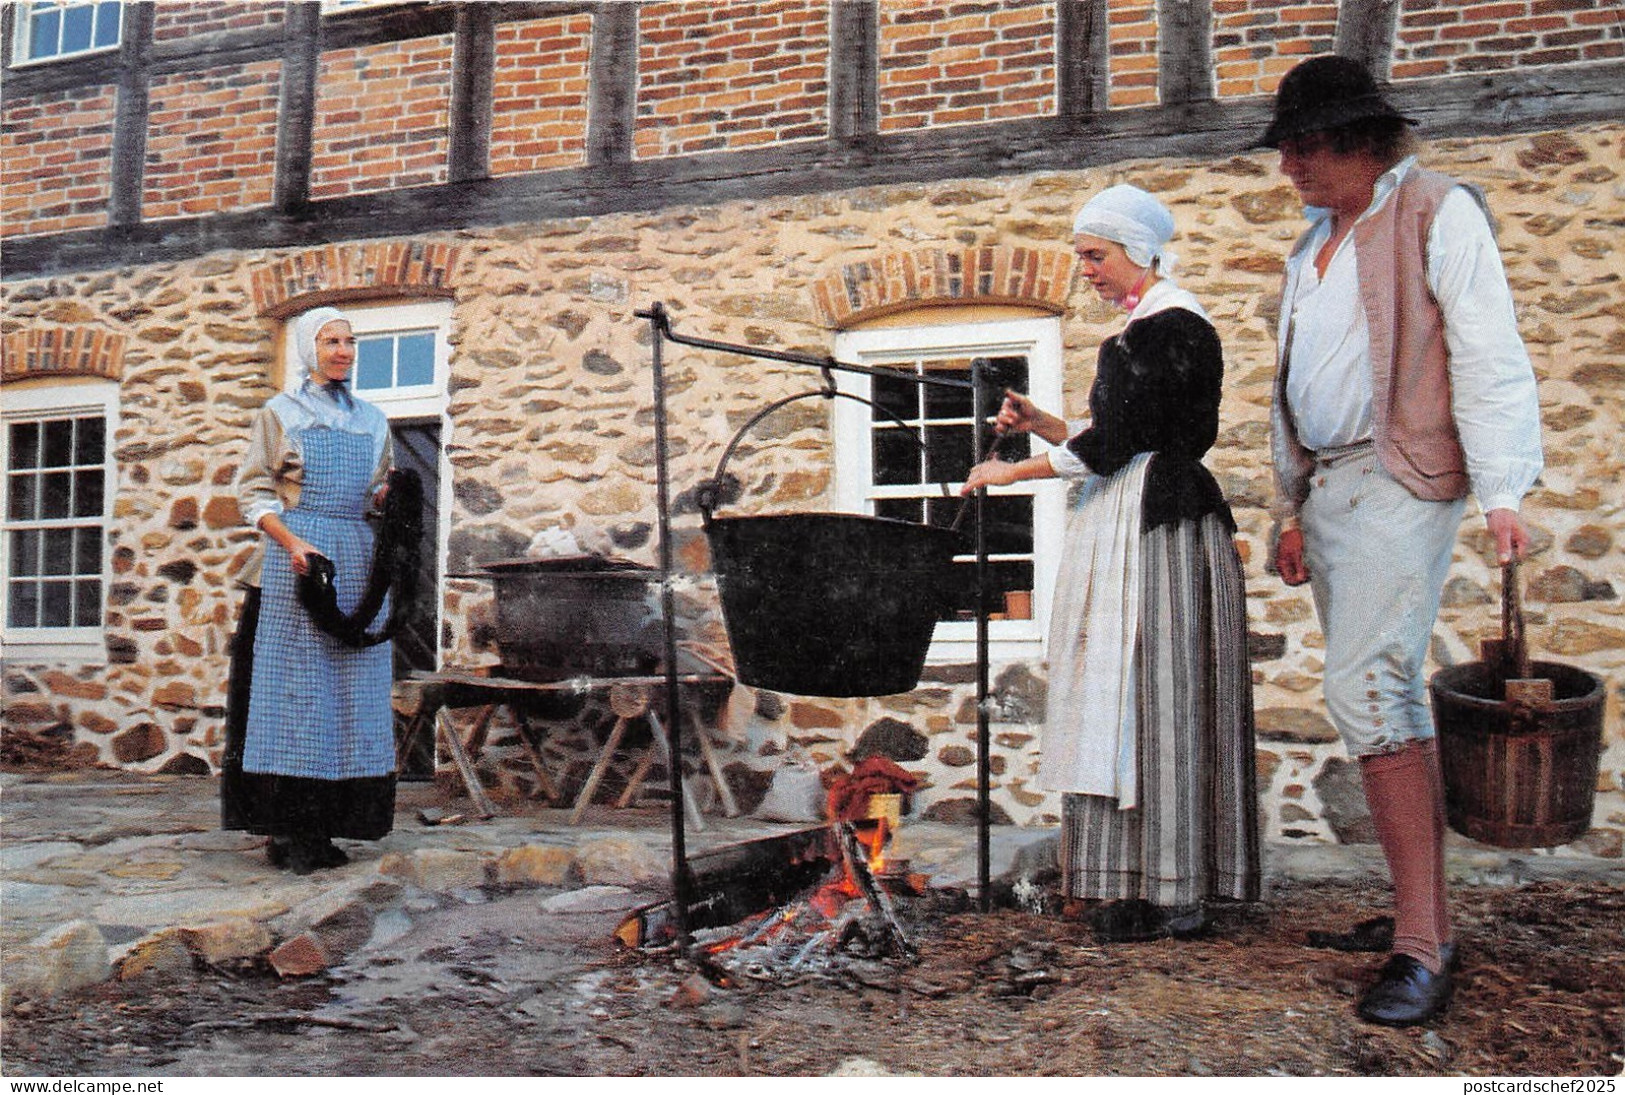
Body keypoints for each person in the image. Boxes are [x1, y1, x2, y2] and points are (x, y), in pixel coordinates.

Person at [1261, 56, 1544, 1026]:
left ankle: (1424, 947)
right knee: (1383, 695)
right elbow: (1295, 387)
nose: (1288, 164)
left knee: (1363, 685)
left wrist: (1502, 486)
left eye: (1303, 146)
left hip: (1399, 475)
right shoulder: (1310, 248)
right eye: (1287, 147)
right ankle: (1417, 915)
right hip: (1334, 485)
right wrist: (1290, 507)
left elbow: (1486, 348)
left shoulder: (1433, 211)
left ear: (1359, 141)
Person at [963, 184, 1260, 942]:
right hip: (1142, 503)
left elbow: (1116, 444)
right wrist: (1042, 426)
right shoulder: (1151, 330)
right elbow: (1120, 432)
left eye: (1095, 256)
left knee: (1152, 691)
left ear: (1139, 252)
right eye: (1081, 257)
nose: (1085, 271)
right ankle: (1145, 882)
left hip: (1155, 522)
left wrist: (1008, 472)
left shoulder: (1164, 327)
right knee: (1131, 694)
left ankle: (1175, 889)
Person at [221, 306, 398, 874]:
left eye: (350, 341)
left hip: (355, 563)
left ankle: (326, 827)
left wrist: (386, 500)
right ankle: (289, 830)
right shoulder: (281, 412)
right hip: (297, 563)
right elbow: (253, 494)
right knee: (294, 696)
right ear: (308, 350)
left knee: (348, 696)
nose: (343, 351)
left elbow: (376, 492)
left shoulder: (373, 420)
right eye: (330, 342)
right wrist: (293, 543)